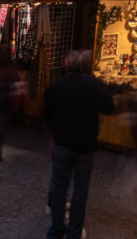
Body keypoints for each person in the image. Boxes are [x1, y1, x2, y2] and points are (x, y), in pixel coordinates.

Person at [45, 51, 114, 239]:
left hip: (62, 142)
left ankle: (56, 230)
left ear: (67, 66)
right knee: (80, 189)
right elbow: (108, 107)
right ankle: (74, 232)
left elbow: (46, 112)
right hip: (85, 144)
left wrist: (57, 128)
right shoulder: (92, 84)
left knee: (59, 187)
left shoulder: (57, 85)